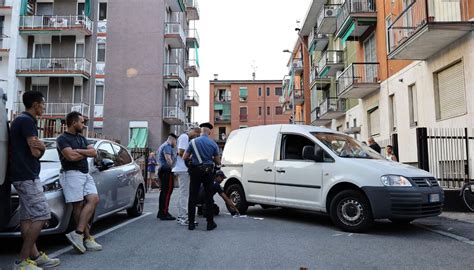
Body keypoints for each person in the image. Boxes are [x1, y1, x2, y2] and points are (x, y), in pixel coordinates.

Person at [9, 91, 60, 270]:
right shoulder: (27, 121)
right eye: (43, 103)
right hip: (27, 176)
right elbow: (35, 151)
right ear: (36, 104)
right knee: (43, 214)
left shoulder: (22, 120)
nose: (44, 107)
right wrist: (44, 149)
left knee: (27, 219)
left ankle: (35, 256)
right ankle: (22, 261)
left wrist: (41, 148)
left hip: (22, 175)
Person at [57, 111, 102, 254]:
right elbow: (70, 156)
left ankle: (77, 233)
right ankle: (86, 238)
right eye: (82, 122)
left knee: (94, 199)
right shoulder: (62, 139)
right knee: (78, 206)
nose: (83, 125)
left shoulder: (81, 138)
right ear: (73, 122)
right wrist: (81, 153)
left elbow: (94, 152)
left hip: (84, 173)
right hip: (71, 174)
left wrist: (77, 151)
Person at [183, 122, 221, 231]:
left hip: (195, 171)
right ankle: (210, 223)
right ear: (209, 131)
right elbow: (217, 161)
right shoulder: (213, 143)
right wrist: (212, 159)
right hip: (208, 172)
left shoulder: (193, 142)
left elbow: (185, 157)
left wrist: (192, 161)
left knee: (192, 196)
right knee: (208, 198)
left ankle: (191, 223)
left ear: (201, 130)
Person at [172, 127, 201, 226]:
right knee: (184, 194)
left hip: (182, 169)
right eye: (197, 135)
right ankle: (183, 217)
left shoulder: (184, 137)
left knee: (183, 193)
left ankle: (182, 216)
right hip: (183, 169)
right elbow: (181, 152)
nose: (196, 137)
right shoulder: (184, 137)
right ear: (194, 132)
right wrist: (192, 157)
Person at [156, 133, 178, 220]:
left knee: (163, 192)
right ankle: (164, 213)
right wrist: (174, 165)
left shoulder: (163, 145)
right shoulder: (167, 146)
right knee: (167, 192)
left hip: (163, 170)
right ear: (173, 140)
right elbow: (168, 160)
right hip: (166, 171)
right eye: (176, 141)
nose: (176, 144)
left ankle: (161, 212)